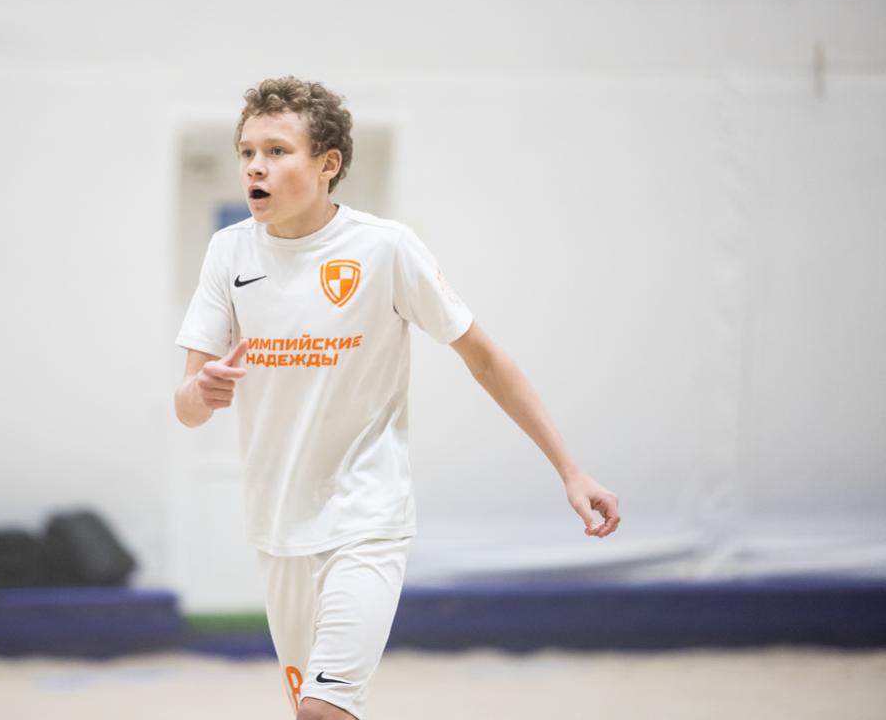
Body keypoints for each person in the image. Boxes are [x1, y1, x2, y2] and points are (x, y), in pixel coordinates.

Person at [173, 76, 620, 720]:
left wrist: (571, 471)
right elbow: (186, 407)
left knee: (322, 710)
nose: (254, 167)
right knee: (316, 714)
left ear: (328, 164)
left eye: (276, 151)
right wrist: (202, 390)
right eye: (247, 152)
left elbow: (486, 359)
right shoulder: (228, 252)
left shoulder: (385, 248)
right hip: (277, 525)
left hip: (366, 518)